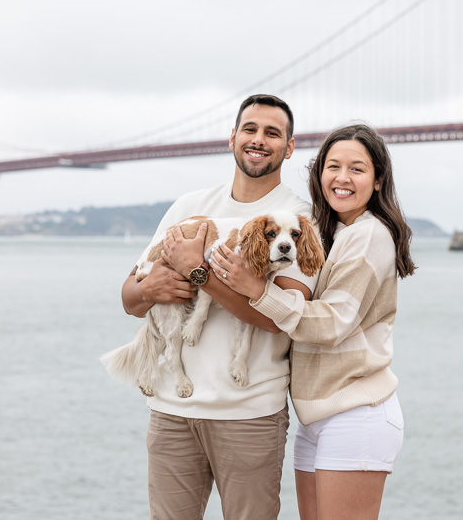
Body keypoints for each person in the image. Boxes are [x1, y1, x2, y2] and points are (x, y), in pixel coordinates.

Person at [119, 94, 318, 520]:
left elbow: (279, 319)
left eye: (272, 133)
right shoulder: (189, 207)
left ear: (289, 146)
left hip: (249, 413)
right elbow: (129, 300)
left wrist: (198, 273)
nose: (259, 140)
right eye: (250, 129)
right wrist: (151, 286)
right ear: (232, 138)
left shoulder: (298, 221)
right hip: (171, 411)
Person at [214, 123, 416, 520]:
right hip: (316, 415)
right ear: (318, 172)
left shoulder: (370, 235)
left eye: (357, 169)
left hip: (355, 412)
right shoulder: (333, 233)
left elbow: (331, 324)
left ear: (377, 180)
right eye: (333, 166)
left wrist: (257, 290)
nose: (342, 178)